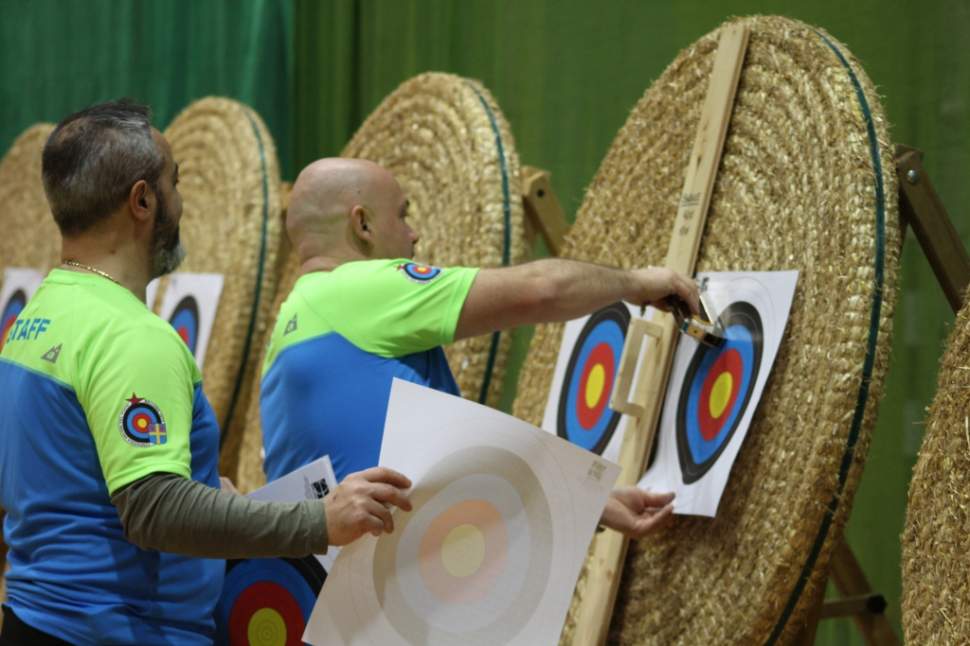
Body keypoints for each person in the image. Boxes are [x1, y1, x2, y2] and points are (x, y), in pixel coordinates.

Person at [0, 101, 412, 645]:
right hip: (117, 633)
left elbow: (70, 480)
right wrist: (320, 520)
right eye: (176, 181)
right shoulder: (130, 335)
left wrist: (202, 487)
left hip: (34, 622)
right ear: (143, 200)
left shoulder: (36, 319)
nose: (182, 201)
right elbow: (156, 510)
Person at [260, 157, 701, 538]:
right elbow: (541, 290)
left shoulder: (288, 329)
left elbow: (426, 461)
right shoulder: (357, 289)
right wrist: (638, 283)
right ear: (363, 224)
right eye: (402, 215)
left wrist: (583, 496)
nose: (413, 236)